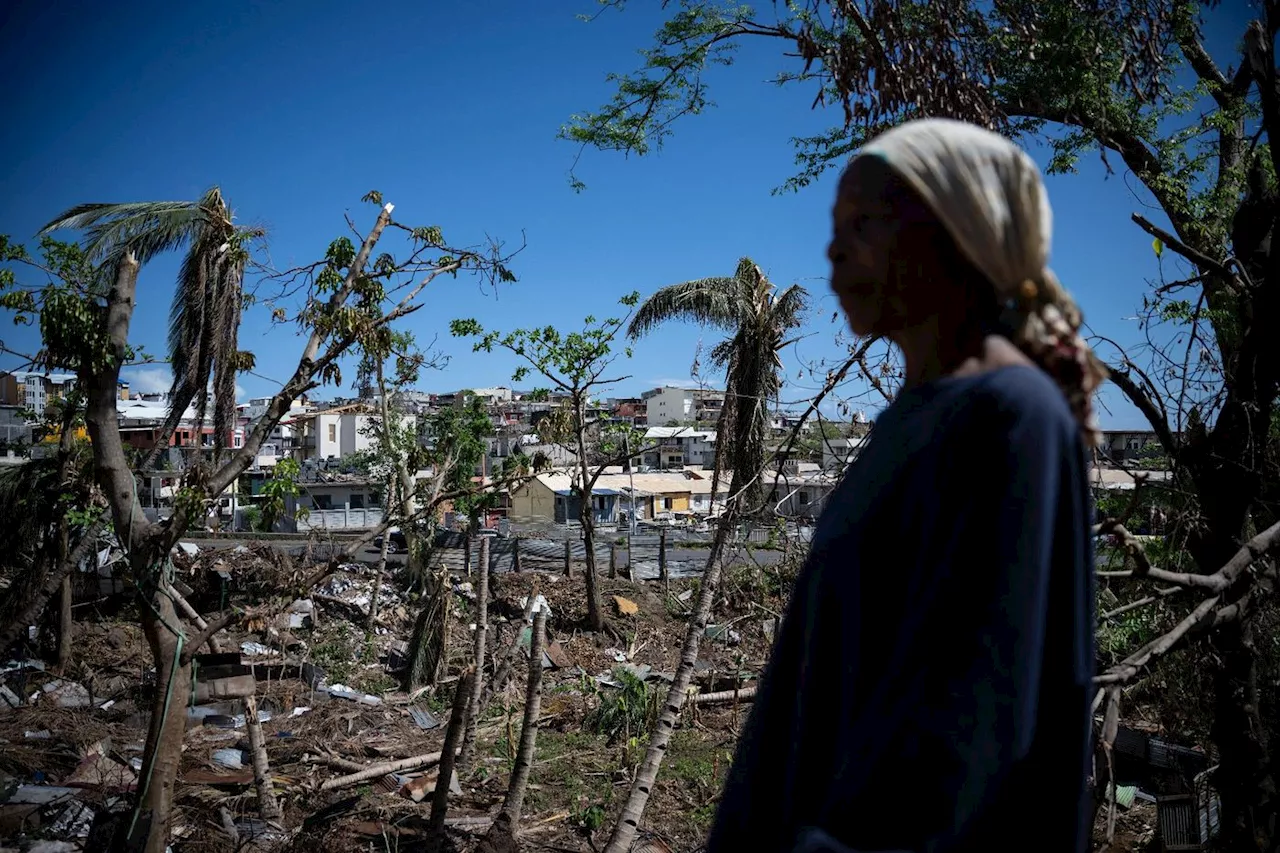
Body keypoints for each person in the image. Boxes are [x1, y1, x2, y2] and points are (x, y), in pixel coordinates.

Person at [704, 118, 1103, 853]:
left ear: (954, 234)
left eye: (863, 222)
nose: (832, 247)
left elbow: (970, 729)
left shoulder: (1008, 419)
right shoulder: (908, 423)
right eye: (833, 225)